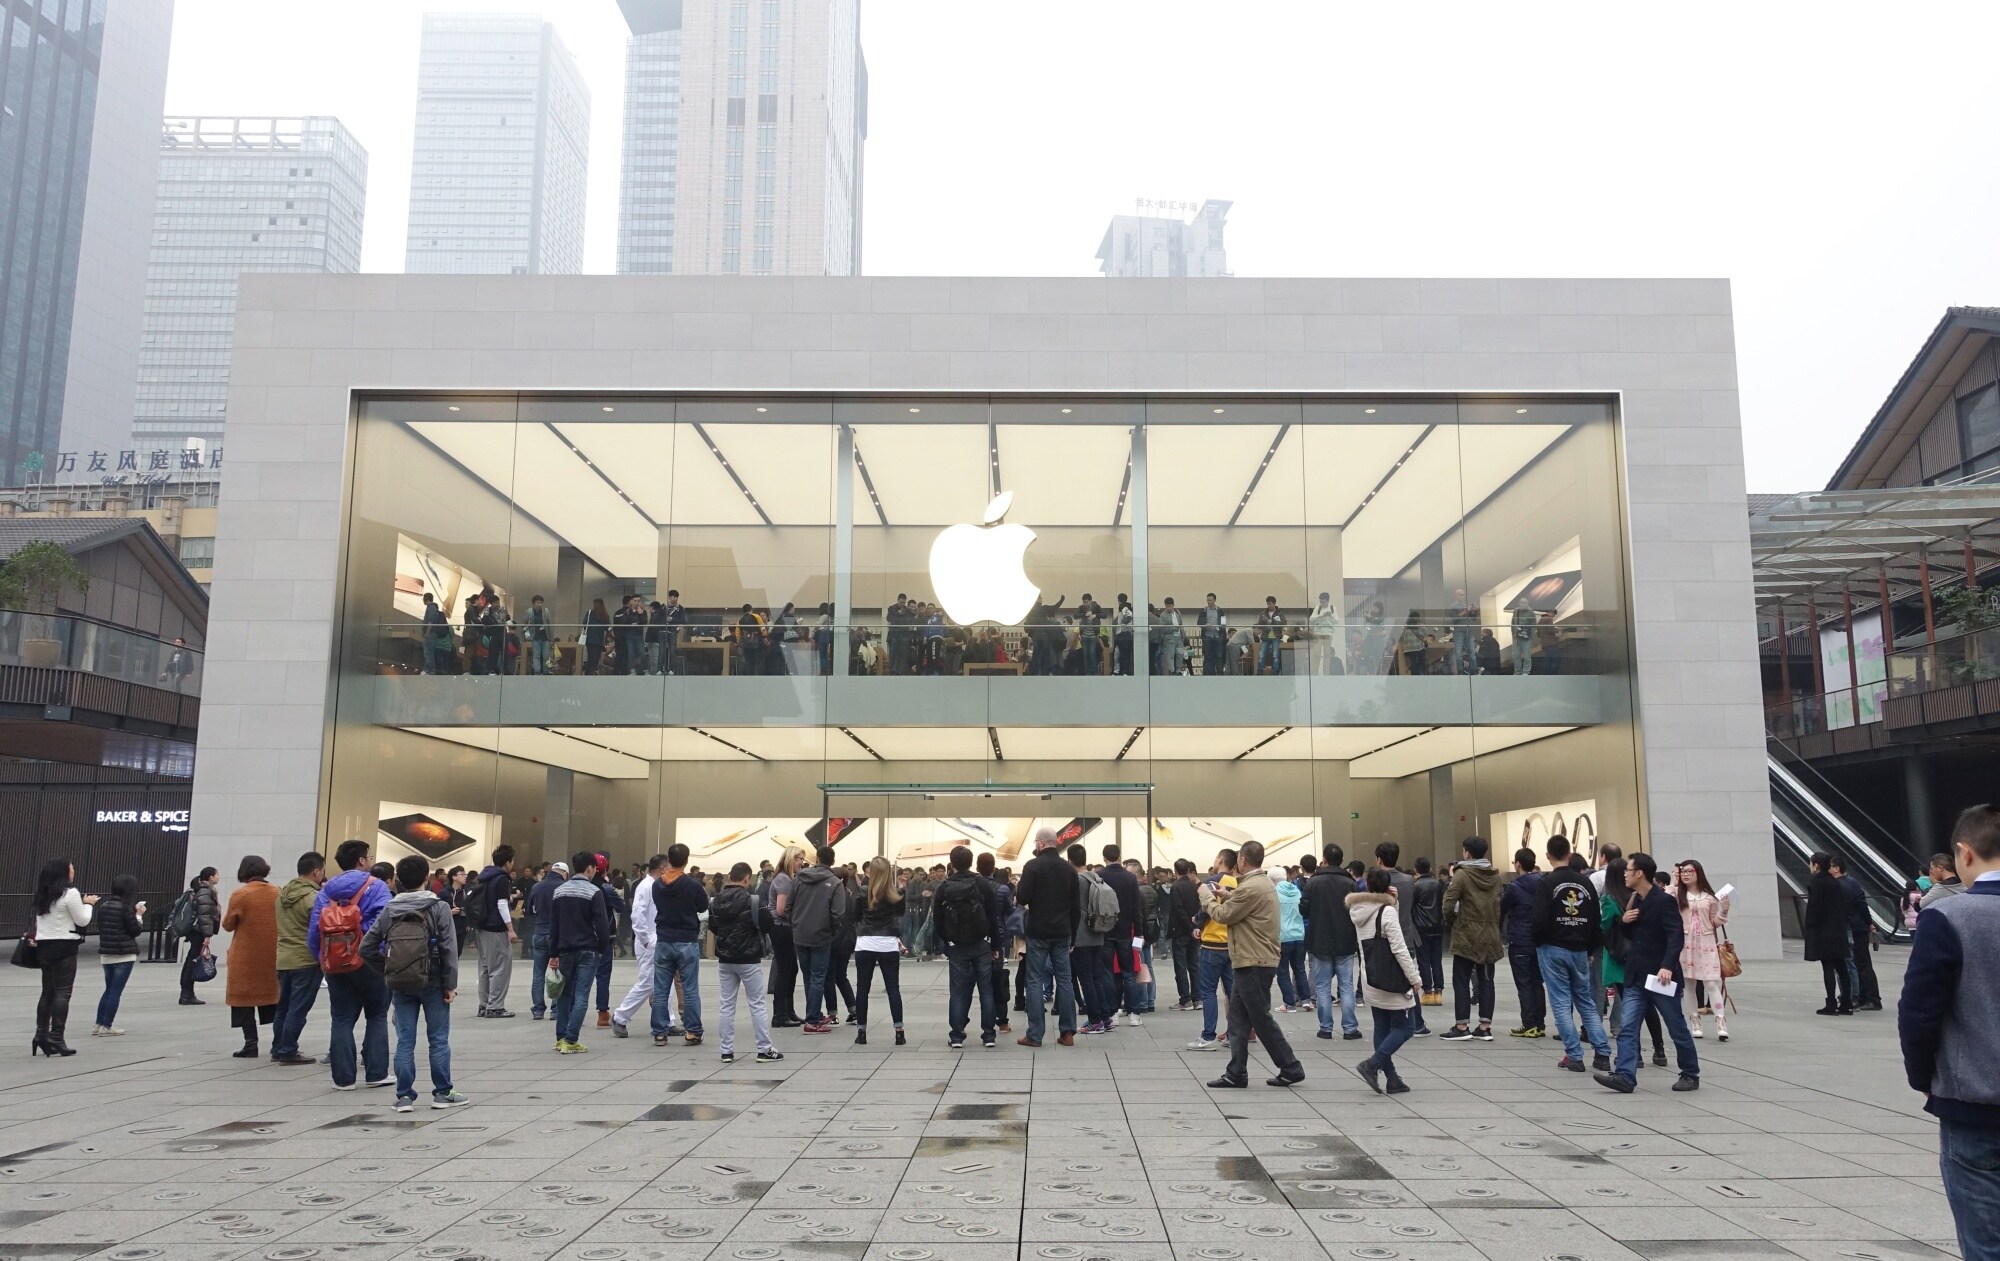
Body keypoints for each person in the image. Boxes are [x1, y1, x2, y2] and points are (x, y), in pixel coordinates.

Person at [1898, 804, 2000, 1260]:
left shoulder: (1950, 917)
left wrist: (1927, 1077)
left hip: (1974, 1103)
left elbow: (1919, 1013)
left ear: (1964, 853)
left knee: (1985, 1243)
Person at [362, 854, 467, 1111]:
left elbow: (366, 947)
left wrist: (387, 969)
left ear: (398, 879)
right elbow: (448, 949)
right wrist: (450, 984)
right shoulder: (439, 907)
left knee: (405, 1040)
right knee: (438, 1039)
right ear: (426, 878)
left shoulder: (391, 908)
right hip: (432, 979)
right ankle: (443, 1092)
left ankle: (405, 1096)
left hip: (401, 982)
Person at [1595, 853, 1699, 1094]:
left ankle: (1690, 1073)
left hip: (1661, 977)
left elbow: (1675, 936)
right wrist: (1624, 922)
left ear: (1639, 873)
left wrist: (1667, 965)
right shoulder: (1635, 899)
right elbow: (1632, 936)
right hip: (1635, 975)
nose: (1625, 874)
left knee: (1676, 1026)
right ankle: (1624, 1076)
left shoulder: (1663, 901)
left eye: (1628, 870)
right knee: (1628, 1027)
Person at [1205, 842, 1305, 1090]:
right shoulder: (1260, 884)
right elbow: (1244, 905)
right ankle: (1236, 1072)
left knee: (1259, 1017)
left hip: (1254, 960)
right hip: (1252, 959)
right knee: (1238, 1018)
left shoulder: (1251, 886)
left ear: (1241, 860)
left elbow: (1223, 915)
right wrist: (1226, 895)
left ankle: (1291, 1066)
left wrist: (1206, 897)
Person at [309, 839, 393, 1090]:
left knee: (342, 1019)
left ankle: (343, 1079)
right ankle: (377, 1073)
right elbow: (385, 921)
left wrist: (322, 959)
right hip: (370, 962)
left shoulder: (325, 891)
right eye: (369, 856)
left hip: (335, 963)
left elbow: (315, 930)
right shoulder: (376, 887)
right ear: (361, 860)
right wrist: (373, 950)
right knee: (377, 1015)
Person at [1533, 835, 1612, 1073]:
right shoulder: (1584, 882)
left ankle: (1575, 1055)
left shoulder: (1546, 883)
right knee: (1586, 1001)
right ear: (1569, 854)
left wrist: (1539, 942)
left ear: (1547, 856)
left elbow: (1538, 919)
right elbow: (1595, 919)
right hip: (1580, 949)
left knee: (1560, 1002)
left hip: (1553, 947)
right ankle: (1603, 1052)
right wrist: (1590, 947)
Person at [1350, 866, 1424, 1094]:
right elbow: (1399, 948)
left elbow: (1379, 927)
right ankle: (1372, 1064)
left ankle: (1392, 1078)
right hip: (1392, 978)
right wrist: (1414, 977)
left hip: (1371, 977)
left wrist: (1393, 902)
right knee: (1406, 1026)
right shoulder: (1387, 911)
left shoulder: (1358, 909)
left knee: (1381, 1026)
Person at [708, 862, 781, 1063]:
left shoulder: (716, 901)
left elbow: (713, 926)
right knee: (757, 1004)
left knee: (726, 1004)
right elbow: (767, 924)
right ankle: (764, 1049)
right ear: (747, 878)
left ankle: (726, 1051)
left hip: (725, 958)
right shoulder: (753, 901)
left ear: (730, 876)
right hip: (749, 958)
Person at [1015, 826, 1080, 1048]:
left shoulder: (1032, 866)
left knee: (1034, 980)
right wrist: (1073, 935)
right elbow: (1076, 906)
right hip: (1063, 932)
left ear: (1041, 843)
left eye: (1035, 842)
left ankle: (1035, 1034)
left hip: (1038, 931)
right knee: (1065, 979)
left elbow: (1022, 896)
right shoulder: (1069, 869)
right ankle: (1068, 1032)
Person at [1601, 856, 1668, 1068]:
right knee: (1648, 1007)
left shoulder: (1609, 900)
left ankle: (1635, 1054)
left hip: (1618, 958)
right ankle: (1659, 1050)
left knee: (1631, 1009)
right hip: (1640, 957)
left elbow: (1603, 926)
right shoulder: (1636, 897)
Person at [28, 857, 96, 1056]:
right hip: (64, 945)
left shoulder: (43, 894)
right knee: (63, 992)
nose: (73, 871)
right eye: (71, 869)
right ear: (64, 873)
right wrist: (89, 904)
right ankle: (57, 1036)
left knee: (47, 992)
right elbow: (82, 920)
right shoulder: (70, 893)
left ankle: (41, 1034)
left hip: (44, 946)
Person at [1441, 837, 1503, 1041]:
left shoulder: (1461, 875)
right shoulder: (1495, 875)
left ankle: (1461, 1026)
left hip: (1467, 934)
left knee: (1461, 980)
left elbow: (1448, 905)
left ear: (1466, 852)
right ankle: (1485, 1027)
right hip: (1490, 935)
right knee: (1487, 980)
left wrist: (1455, 922)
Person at [548, 852, 611, 1053]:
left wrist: (553, 952)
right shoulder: (594, 892)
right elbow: (602, 925)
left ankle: (560, 1038)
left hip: (565, 949)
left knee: (565, 994)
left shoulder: (559, 891)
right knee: (582, 995)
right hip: (588, 949)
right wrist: (603, 947)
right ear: (590, 868)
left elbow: (554, 925)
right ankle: (572, 1039)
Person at [223, 856, 281, 1059]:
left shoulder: (240, 894)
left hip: (246, 956)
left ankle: (251, 1043)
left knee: (243, 1001)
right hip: (272, 954)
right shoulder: (277, 892)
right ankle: (280, 1043)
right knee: (273, 1000)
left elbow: (228, 924)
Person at [650, 844, 709, 1047]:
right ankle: (692, 1032)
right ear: (686, 860)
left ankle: (659, 1032)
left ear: (669, 859)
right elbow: (703, 906)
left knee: (661, 989)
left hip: (664, 940)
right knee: (689, 988)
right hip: (686, 941)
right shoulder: (692, 885)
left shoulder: (657, 885)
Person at [1302, 843, 1360, 1041]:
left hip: (1319, 940)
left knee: (1322, 987)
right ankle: (1350, 1028)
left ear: (1324, 859)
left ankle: (1325, 1028)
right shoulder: (1350, 883)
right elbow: (1356, 911)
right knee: (1346, 986)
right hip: (1345, 940)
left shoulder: (1313, 883)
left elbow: (1304, 909)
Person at [270, 852, 324, 1064]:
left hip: (284, 957)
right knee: (298, 1007)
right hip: (305, 958)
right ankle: (288, 1049)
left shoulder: (281, 896)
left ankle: (278, 1047)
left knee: (283, 1006)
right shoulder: (314, 898)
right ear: (316, 871)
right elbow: (319, 929)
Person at [851, 856, 909, 1046]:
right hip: (888, 943)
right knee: (893, 989)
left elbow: (856, 916)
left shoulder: (863, 891)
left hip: (866, 941)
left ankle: (861, 1032)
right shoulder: (893, 894)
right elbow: (900, 912)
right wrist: (902, 890)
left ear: (871, 872)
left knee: (862, 989)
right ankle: (899, 1031)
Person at [790, 846, 848, 1034]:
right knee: (818, 977)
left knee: (808, 976)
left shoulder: (799, 879)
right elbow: (838, 914)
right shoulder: (835, 883)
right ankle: (813, 1019)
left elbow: (789, 905)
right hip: (821, 935)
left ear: (816, 859)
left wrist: (796, 923)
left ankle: (812, 1013)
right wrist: (830, 930)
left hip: (800, 934)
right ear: (832, 861)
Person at [1674, 858, 1731, 1039]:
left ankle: (1720, 1020)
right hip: (1685, 942)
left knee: (1712, 983)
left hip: (1706, 942)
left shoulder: (1709, 897)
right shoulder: (1676, 895)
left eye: (1690, 871)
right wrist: (1673, 882)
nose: (1686, 875)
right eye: (1684, 872)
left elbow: (1714, 922)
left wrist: (1725, 910)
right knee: (1689, 984)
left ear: (1698, 873)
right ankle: (1694, 1020)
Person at [1188, 849, 1238, 1051]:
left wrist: (1198, 922)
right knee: (1232, 992)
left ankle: (1208, 1035)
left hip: (1212, 944)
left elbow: (1206, 908)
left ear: (1220, 859)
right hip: (1232, 944)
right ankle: (1234, 1034)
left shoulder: (1212, 881)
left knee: (1208, 991)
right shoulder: (1238, 883)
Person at [612, 854, 662, 1039]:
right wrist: (646, 939)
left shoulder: (653, 885)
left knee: (664, 982)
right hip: (649, 940)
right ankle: (620, 1016)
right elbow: (637, 915)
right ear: (661, 869)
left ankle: (668, 1020)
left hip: (654, 938)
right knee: (648, 982)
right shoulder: (646, 886)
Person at [89, 875, 144, 1038]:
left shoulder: (105, 906)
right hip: (124, 954)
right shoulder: (125, 908)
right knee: (116, 991)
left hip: (106, 952)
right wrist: (139, 915)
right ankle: (107, 1026)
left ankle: (98, 1023)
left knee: (108, 989)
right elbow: (135, 930)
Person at [1499, 848, 1546, 1039]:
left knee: (1524, 984)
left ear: (1517, 864)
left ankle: (1529, 1024)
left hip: (1520, 940)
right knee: (1537, 982)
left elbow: (1501, 908)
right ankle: (1540, 1023)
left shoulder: (1514, 887)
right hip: (1539, 941)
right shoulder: (1544, 883)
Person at [470, 846, 518, 1018]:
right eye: (512, 861)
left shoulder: (485, 876)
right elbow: (502, 905)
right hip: (496, 927)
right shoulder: (502, 879)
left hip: (481, 926)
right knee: (500, 967)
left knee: (484, 967)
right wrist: (510, 929)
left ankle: (484, 1004)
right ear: (507, 862)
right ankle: (495, 1006)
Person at [1804, 852, 1853, 1015]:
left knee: (1828, 967)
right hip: (1838, 930)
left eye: (1811, 863)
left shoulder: (1818, 883)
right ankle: (1847, 1003)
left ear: (1816, 865)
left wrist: (1811, 925)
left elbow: (1815, 908)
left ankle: (1831, 1003)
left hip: (1824, 931)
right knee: (1842, 967)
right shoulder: (1834, 882)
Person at [1829, 858, 1881, 1011]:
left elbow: (1860, 905)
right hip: (1858, 926)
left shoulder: (1845, 884)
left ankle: (1870, 998)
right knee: (1860, 963)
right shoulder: (1852, 882)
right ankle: (1865, 997)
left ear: (1837, 868)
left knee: (1861, 964)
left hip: (1855, 927)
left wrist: (1868, 923)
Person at [977, 851, 1016, 1032]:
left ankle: (962, 1026)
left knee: (975, 982)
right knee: (998, 979)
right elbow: (1010, 911)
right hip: (997, 938)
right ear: (994, 868)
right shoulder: (1002, 889)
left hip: (977, 939)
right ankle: (1002, 1021)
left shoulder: (973, 887)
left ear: (977, 867)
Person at [767, 848, 804, 1027]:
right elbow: (781, 910)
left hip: (782, 928)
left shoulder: (785, 878)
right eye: (799, 859)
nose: (802, 863)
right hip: (782, 928)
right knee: (784, 970)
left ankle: (788, 1011)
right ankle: (780, 1014)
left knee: (791, 969)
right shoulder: (784, 880)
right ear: (791, 859)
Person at [527, 861, 566, 1019]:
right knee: (557, 971)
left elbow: (529, 910)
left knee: (538, 973)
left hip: (539, 932)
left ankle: (538, 1009)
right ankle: (555, 1009)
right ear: (564, 873)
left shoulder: (536, 886)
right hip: (556, 934)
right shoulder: (563, 887)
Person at [178, 867, 221, 1005]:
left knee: (192, 959)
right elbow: (204, 915)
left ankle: (187, 992)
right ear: (210, 877)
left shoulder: (202, 890)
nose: (218, 877)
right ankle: (186, 993)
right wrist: (207, 935)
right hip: (198, 931)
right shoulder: (205, 891)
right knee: (192, 961)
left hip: (196, 930)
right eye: (216, 874)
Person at [1167, 859, 1201, 1011]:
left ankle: (1185, 999)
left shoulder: (1176, 887)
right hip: (1194, 930)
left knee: (1180, 966)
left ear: (1175, 871)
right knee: (1194, 965)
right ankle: (1197, 998)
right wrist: (1195, 927)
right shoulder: (1195, 887)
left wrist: (1188, 927)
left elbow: (1179, 910)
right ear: (1188, 870)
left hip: (1180, 931)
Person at [1411, 856, 1445, 1005]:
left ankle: (1428, 992)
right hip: (1438, 927)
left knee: (1423, 961)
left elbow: (1412, 907)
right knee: (1436, 960)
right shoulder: (1438, 884)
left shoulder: (1416, 886)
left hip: (1421, 928)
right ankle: (1439, 991)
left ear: (1416, 870)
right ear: (1430, 869)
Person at [1275, 863, 1309, 1012]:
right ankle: (1307, 999)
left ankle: (1289, 1003)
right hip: (1299, 934)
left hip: (1282, 936)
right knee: (1299, 968)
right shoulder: (1296, 890)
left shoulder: (1273, 892)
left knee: (1282, 971)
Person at [1308, 592, 1343, 675]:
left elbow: (1337, 621)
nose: (1322, 603)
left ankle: (1326, 672)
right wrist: (1321, 615)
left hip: (1328, 633)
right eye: (1321, 601)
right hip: (1318, 633)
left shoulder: (1332, 608)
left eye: (1323, 602)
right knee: (1316, 653)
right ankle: (1314, 672)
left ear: (1328, 601)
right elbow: (1311, 619)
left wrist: (1330, 616)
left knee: (1327, 653)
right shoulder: (1318, 608)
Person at [613, 595, 648, 675]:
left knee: (642, 652)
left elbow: (644, 621)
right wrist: (631, 623)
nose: (636, 603)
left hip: (638, 634)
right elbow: (624, 622)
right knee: (631, 653)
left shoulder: (643, 611)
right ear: (631, 602)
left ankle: (645, 670)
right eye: (635, 601)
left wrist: (640, 614)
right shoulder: (627, 612)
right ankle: (632, 670)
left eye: (638, 601)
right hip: (629, 634)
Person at [1198, 593, 1228, 677]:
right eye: (1208, 600)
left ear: (1215, 600)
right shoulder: (1203, 610)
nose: (1209, 602)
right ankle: (1208, 674)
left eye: (1210, 600)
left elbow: (1223, 623)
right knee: (1208, 656)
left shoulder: (1220, 610)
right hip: (1207, 636)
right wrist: (1205, 624)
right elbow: (1199, 622)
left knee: (1219, 656)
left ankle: (1220, 673)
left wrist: (1221, 628)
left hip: (1218, 636)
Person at [523, 595, 554, 675]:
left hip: (545, 637)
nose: (539, 604)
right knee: (536, 655)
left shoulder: (546, 611)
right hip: (535, 637)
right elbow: (524, 623)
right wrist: (526, 635)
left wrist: (551, 638)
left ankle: (546, 671)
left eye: (541, 603)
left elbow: (550, 625)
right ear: (534, 603)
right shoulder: (529, 611)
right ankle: (537, 672)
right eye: (538, 603)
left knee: (546, 656)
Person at [1256, 596, 1286, 674]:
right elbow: (1259, 625)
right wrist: (1263, 621)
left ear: (1274, 604)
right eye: (1267, 604)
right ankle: (1259, 671)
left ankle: (1275, 672)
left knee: (1275, 655)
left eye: (1270, 604)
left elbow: (1283, 623)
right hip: (1265, 636)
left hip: (1276, 636)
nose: (1269, 605)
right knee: (1261, 655)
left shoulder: (1280, 613)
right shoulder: (1263, 613)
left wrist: (1272, 621)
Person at [582, 598, 611, 675]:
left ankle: (588, 673)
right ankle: (592, 671)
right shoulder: (604, 615)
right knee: (596, 657)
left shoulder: (589, 613)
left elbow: (584, 623)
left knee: (590, 657)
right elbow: (608, 627)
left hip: (589, 638)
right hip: (599, 639)